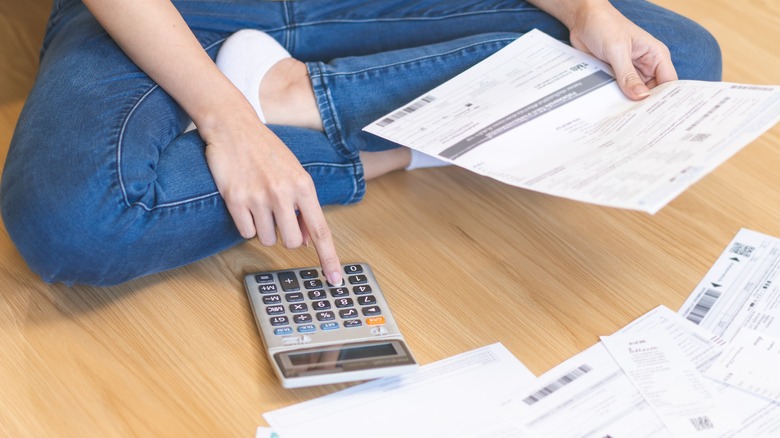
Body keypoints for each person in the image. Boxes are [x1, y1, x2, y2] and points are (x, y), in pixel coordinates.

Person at [0, 0, 722, 286]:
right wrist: (224, 118)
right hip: (172, 13)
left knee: (675, 62)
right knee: (74, 223)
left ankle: (298, 101)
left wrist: (584, 9)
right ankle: (404, 135)